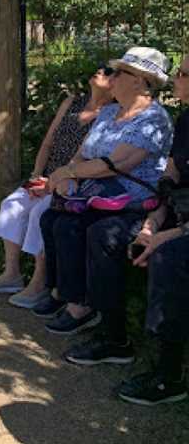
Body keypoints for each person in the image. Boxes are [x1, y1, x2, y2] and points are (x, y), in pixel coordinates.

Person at [62, 54, 189, 406]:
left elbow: (127, 167)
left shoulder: (157, 120)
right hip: (165, 213)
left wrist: (163, 235)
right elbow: (171, 183)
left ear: (139, 81)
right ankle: (110, 333)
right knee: (81, 227)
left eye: (184, 73)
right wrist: (153, 223)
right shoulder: (186, 120)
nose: (177, 79)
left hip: (164, 219)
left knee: (158, 254)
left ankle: (168, 375)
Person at [37, 47, 173, 336]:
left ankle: (96, 318)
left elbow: (119, 164)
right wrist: (68, 177)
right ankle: (69, 296)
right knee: (54, 220)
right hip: (95, 193)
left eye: (118, 71)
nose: (111, 76)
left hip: (132, 201)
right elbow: (83, 153)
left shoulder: (153, 119)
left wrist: (69, 173)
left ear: (140, 81)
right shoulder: (110, 111)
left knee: (99, 233)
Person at [0, 66, 114, 307]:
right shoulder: (72, 102)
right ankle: (12, 274)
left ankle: (39, 283)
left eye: (108, 71)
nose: (99, 71)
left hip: (75, 182)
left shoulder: (111, 114)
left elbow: (94, 161)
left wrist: (52, 184)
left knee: (42, 213)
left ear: (116, 83)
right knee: (12, 203)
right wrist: (37, 176)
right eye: (100, 68)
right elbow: (48, 143)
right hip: (47, 177)